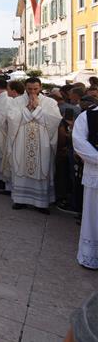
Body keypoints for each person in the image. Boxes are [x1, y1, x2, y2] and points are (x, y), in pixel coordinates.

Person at [6, 77, 61, 214]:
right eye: (29, 89)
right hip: (21, 141)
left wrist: (36, 109)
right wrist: (28, 110)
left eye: (35, 89)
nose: (32, 92)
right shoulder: (17, 101)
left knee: (42, 166)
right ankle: (20, 200)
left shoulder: (50, 102)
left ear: (40, 87)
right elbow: (11, 119)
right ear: (25, 88)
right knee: (21, 165)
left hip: (42, 142)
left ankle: (41, 203)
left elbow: (54, 120)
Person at [72, 107, 98, 269]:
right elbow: (79, 142)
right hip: (96, 172)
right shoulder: (88, 116)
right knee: (93, 215)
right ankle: (91, 256)